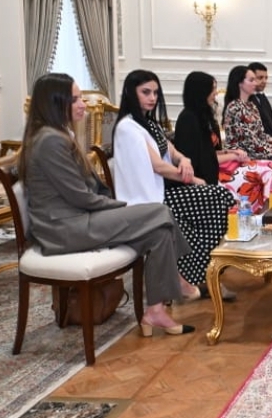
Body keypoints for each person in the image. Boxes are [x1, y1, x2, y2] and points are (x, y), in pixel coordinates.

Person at [20, 73, 196, 335]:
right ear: (56, 104)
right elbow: (80, 197)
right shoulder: (50, 141)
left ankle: (155, 312)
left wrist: (119, 207)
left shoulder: (57, 134)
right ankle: (180, 279)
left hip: (77, 218)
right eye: (76, 99)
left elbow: (84, 192)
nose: (83, 104)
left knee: (159, 231)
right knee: (160, 212)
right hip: (65, 228)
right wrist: (121, 207)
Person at [113, 69, 236, 299]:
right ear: (131, 93)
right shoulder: (128, 127)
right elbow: (158, 166)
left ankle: (199, 273)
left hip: (163, 192)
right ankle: (198, 275)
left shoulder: (149, 123)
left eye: (155, 93)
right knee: (218, 197)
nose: (152, 98)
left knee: (217, 202)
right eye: (145, 92)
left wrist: (184, 160)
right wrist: (192, 179)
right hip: (148, 200)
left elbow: (172, 151)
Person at [174, 71, 272, 213]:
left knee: (270, 166)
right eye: (212, 89)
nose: (215, 93)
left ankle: (269, 213)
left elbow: (211, 150)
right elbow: (201, 159)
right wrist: (232, 156)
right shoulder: (188, 119)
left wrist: (230, 152)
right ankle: (260, 214)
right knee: (266, 170)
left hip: (217, 168)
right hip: (206, 176)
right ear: (201, 91)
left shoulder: (204, 116)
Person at [222, 65, 272, 189]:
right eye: (251, 80)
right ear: (240, 83)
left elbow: (261, 134)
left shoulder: (251, 106)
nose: (255, 83)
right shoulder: (235, 107)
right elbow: (249, 143)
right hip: (244, 154)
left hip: (257, 150)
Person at [248, 61, 272, 138]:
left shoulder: (262, 97)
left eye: (266, 78)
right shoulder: (246, 100)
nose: (264, 81)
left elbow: (271, 124)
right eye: (260, 78)